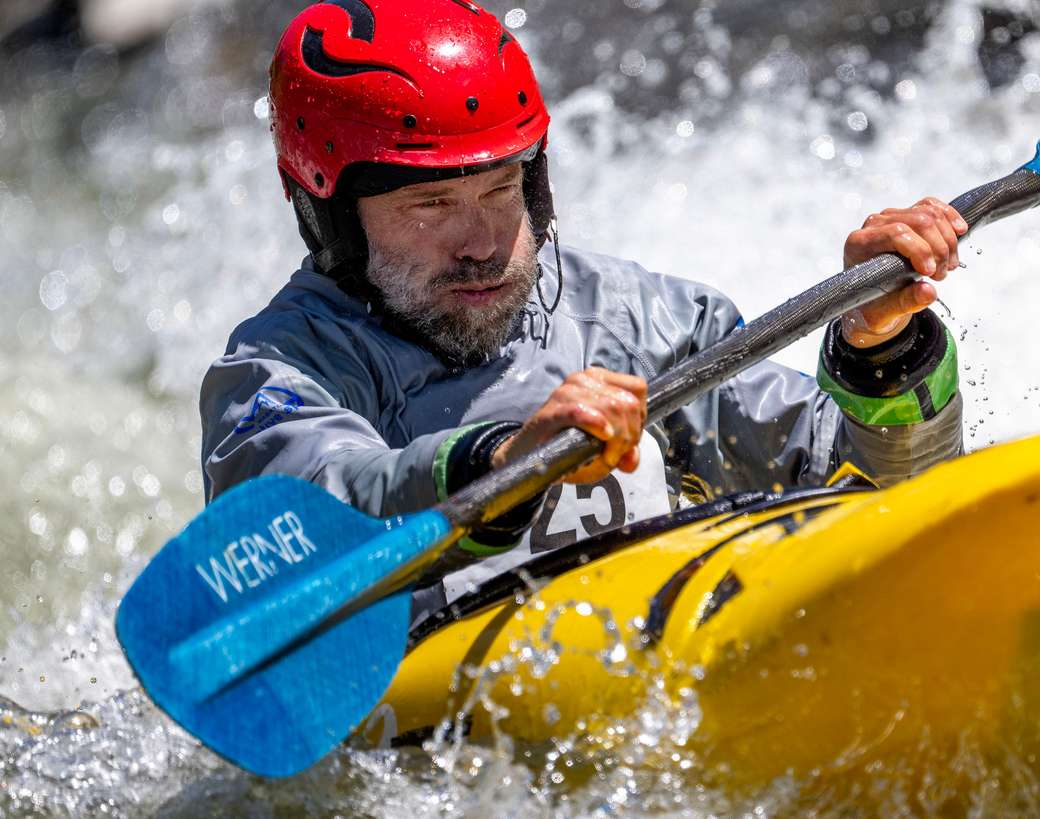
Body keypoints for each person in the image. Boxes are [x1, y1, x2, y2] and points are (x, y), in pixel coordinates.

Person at [199, 0, 966, 609]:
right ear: (329, 216)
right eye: (431, 205)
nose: (483, 242)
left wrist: (881, 347)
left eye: (502, 189)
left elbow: (886, 494)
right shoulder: (273, 375)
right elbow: (310, 516)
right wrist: (502, 463)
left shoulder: (637, 323)